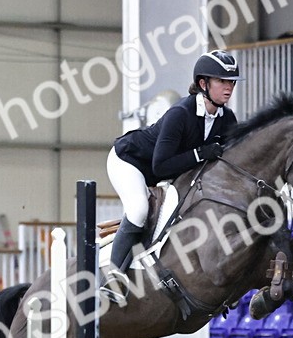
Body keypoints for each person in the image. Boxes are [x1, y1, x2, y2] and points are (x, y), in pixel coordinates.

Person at [103, 49, 241, 284]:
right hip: (130, 161)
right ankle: (113, 275)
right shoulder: (180, 113)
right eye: (221, 81)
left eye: (231, 82)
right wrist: (200, 153)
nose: (228, 87)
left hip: (165, 173)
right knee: (138, 209)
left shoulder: (227, 119)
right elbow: (161, 166)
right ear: (203, 83)